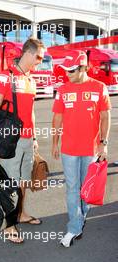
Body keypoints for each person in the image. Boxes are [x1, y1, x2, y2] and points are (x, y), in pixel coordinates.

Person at [0, 38, 46, 243]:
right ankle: (9, 226)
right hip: (9, 140)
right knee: (9, 183)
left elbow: (31, 111)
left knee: (24, 181)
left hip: (27, 140)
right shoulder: (5, 76)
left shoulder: (31, 80)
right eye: (39, 58)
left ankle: (20, 214)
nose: (40, 62)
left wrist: (34, 136)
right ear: (28, 53)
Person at [52, 50, 111, 248]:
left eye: (71, 70)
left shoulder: (99, 87)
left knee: (85, 190)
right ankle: (74, 228)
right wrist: (54, 143)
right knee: (72, 188)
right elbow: (57, 118)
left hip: (91, 149)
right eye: (66, 70)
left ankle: (81, 214)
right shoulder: (62, 89)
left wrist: (103, 143)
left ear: (83, 68)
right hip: (68, 149)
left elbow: (105, 116)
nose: (67, 74)